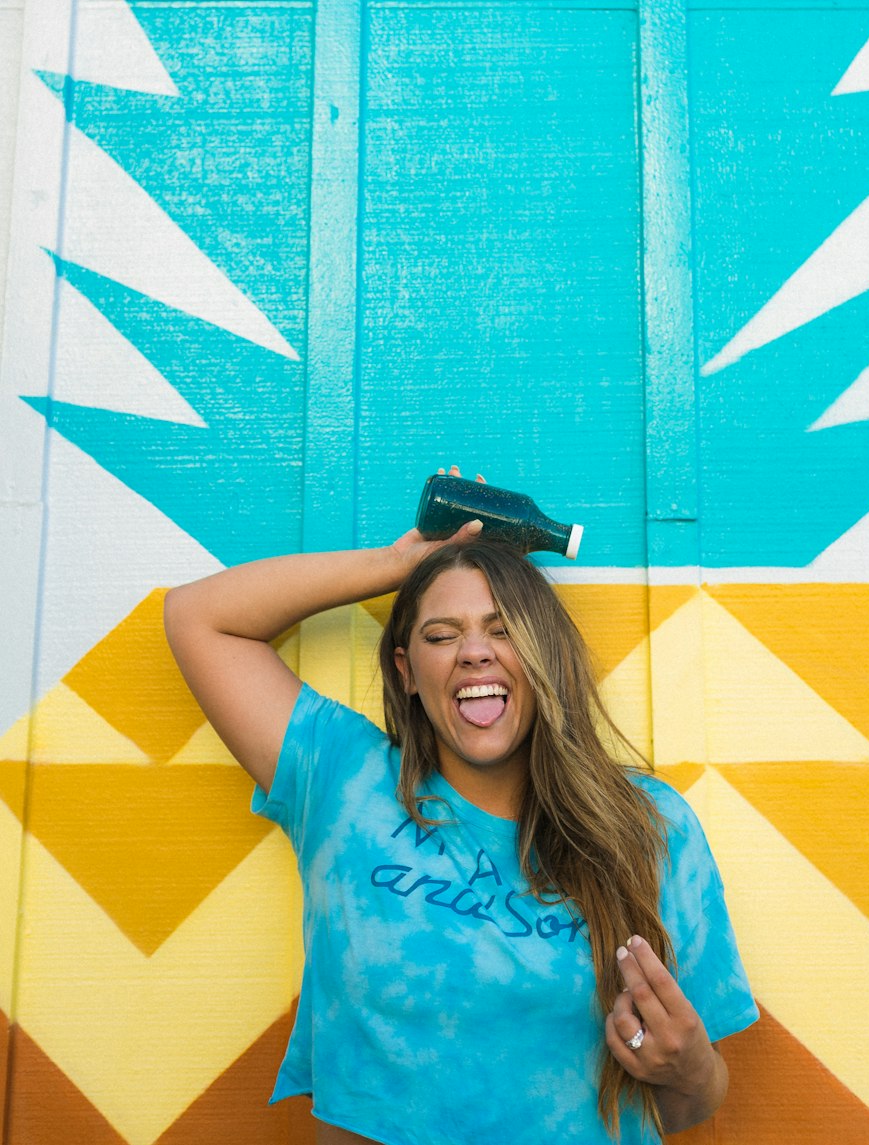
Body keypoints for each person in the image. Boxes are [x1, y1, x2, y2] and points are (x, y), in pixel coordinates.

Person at [163, 469, 757, 1144]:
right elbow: (198, 618)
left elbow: (692, 1101)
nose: (474, 650)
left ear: (544, 660)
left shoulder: (650, 824)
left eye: (501, 629)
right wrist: (402, 561)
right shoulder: (344, 781)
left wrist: (689, 1067)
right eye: (442, 634)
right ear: (406, 672)